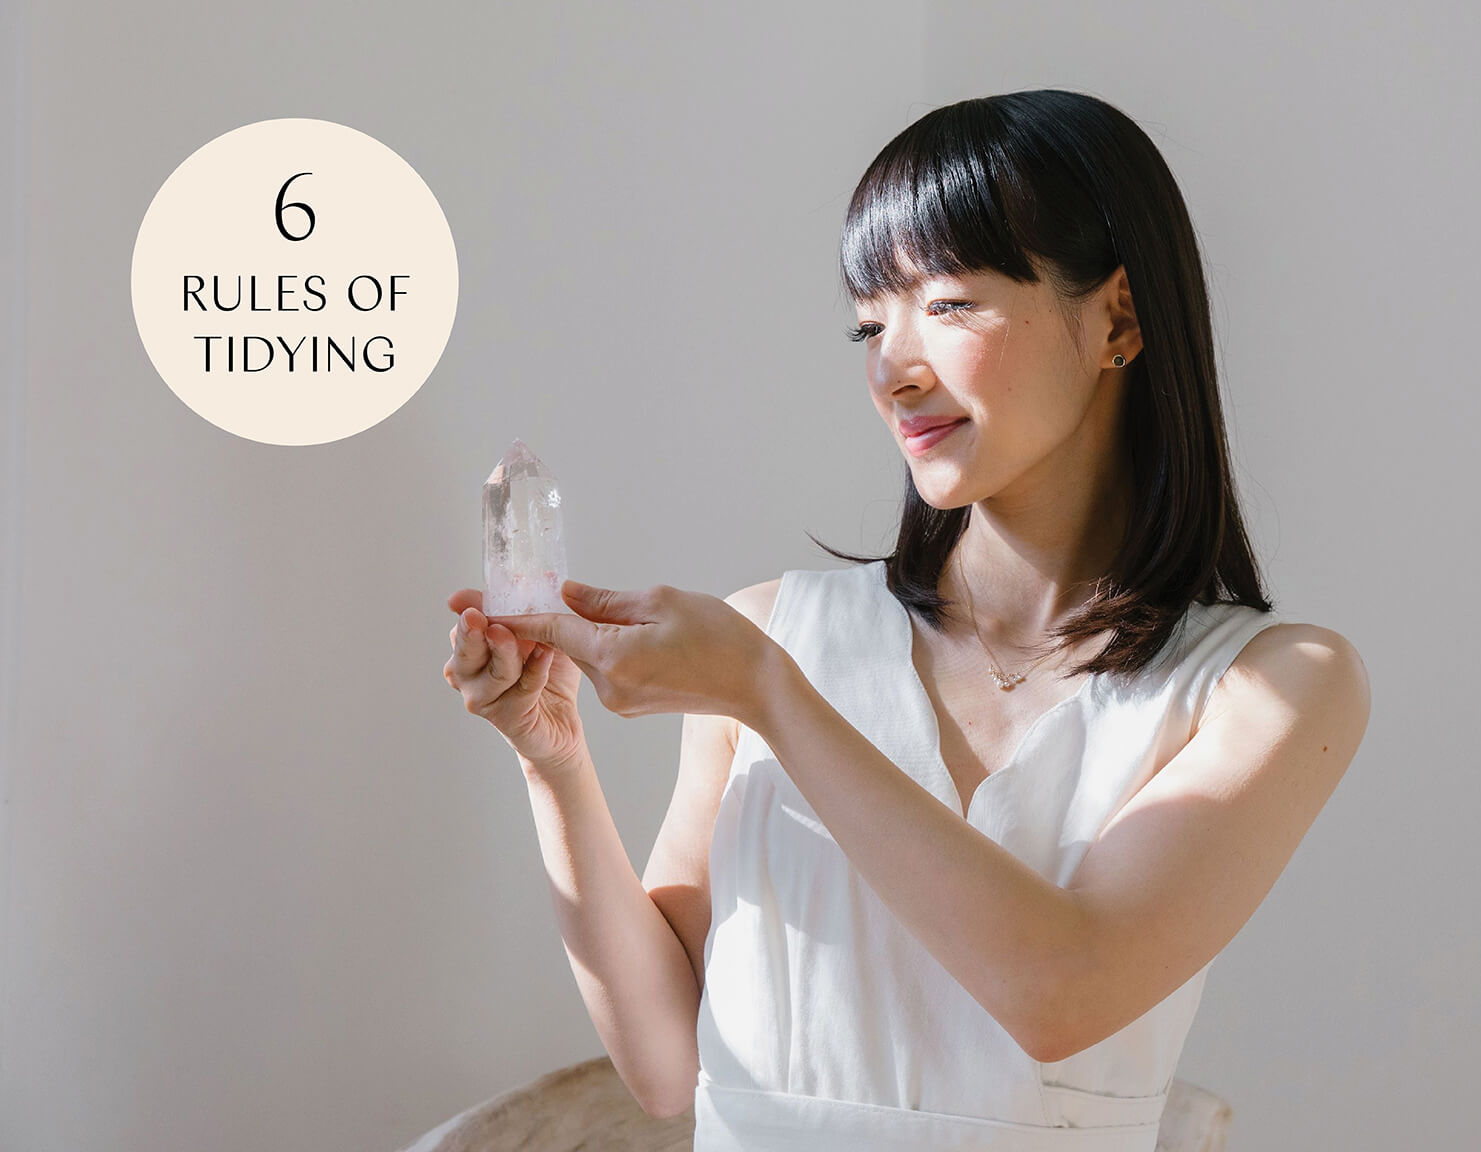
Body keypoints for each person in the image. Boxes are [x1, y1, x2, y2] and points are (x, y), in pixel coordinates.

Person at [443, 88, 1371, 1151]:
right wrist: (551, 761)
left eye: (949, 303)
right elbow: (666, 1067)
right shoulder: (776, 632)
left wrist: (768, 695)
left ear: (1116, 317)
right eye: (868, 320)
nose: (893, 366)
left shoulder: (1275, 683)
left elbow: (1059, 991)